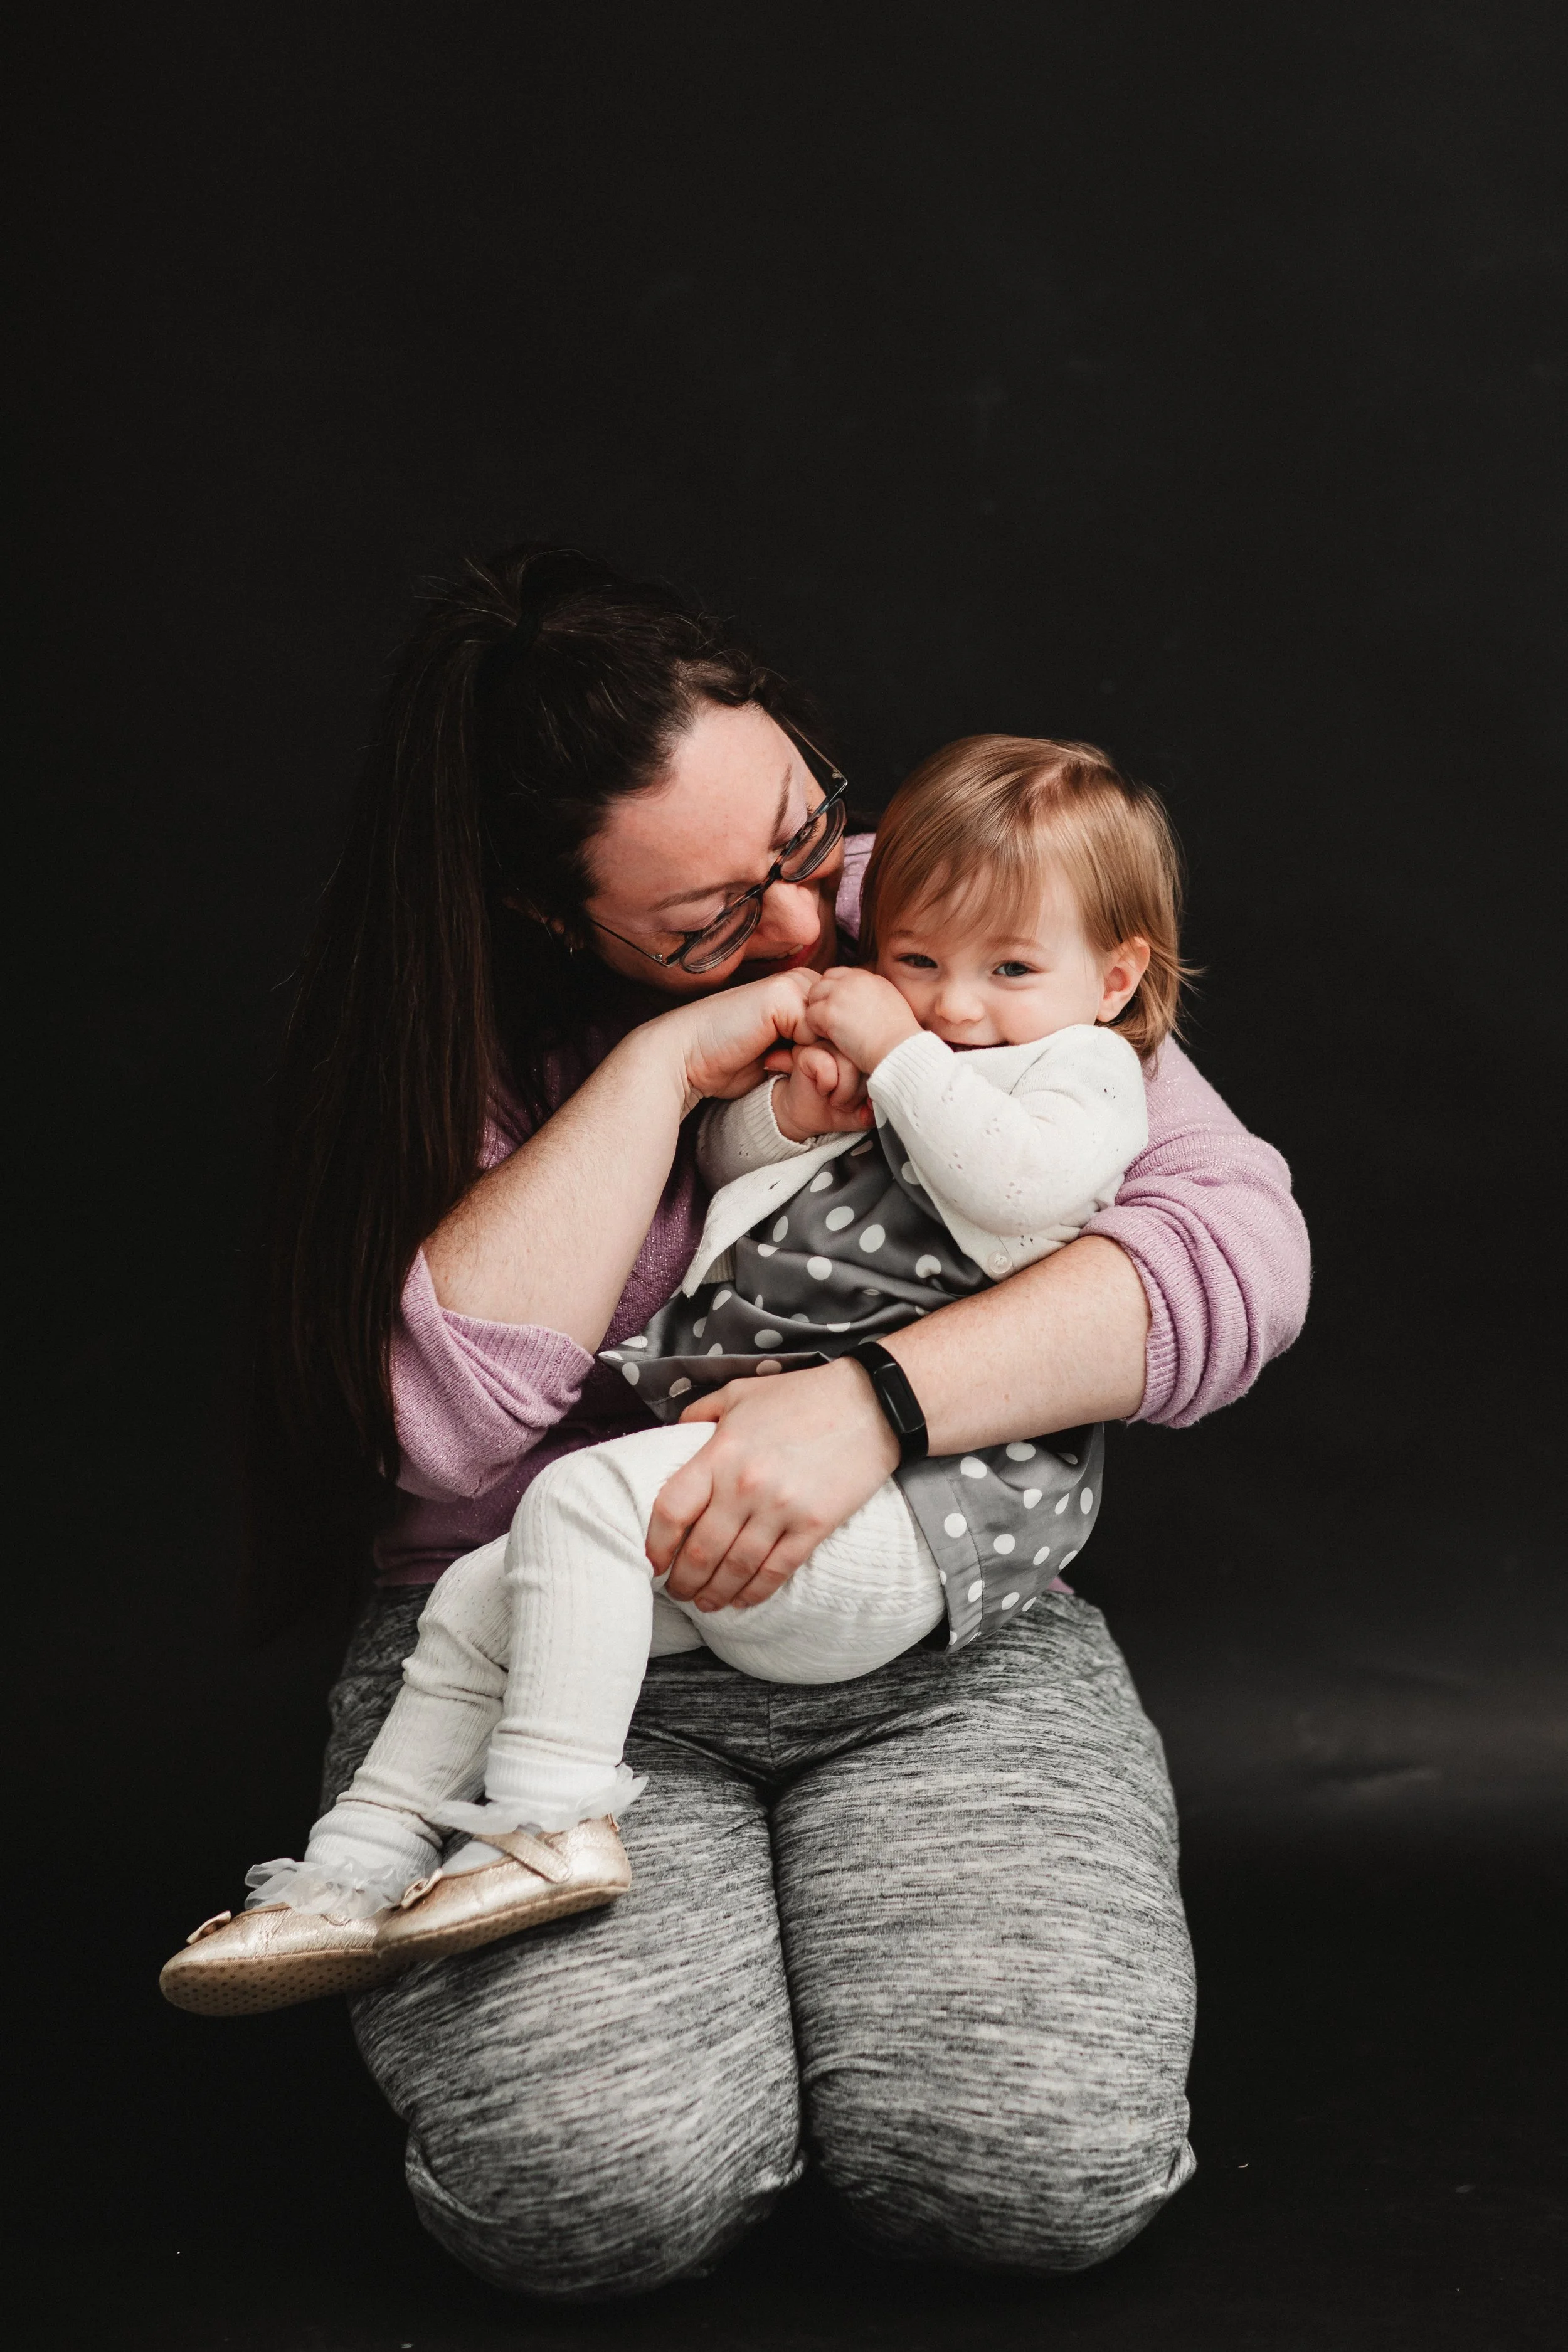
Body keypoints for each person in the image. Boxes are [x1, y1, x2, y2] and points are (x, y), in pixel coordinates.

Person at [183, 544, 1310, 2294]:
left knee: (1031, 2164)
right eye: (708, 921)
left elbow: (1231, 1258)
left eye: (800, 835)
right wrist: (670, 1062)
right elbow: (442, 1434)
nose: (809, 927)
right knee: (588, 2185)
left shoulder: (948, 912)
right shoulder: (464, 1033)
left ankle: (840, 1954)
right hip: (550, 1640)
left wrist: (873, 1401)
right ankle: (381, 1874)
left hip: (925, 1605)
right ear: (554, 921)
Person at [164, 733, 1182, 2005]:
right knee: (494, 1586)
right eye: (915, 962)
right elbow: (724, 1176)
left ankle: (547, 1823)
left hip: (910, 1522)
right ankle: (345, 1879)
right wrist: (790, 1120)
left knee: (574, 1505)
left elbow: (1019, 1192)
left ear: (1113, 976)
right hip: (762, 1518)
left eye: (1008, 972)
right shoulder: (907, 1040)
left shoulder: (1073, 1067)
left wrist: (904, 1058)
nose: (956, 1001)